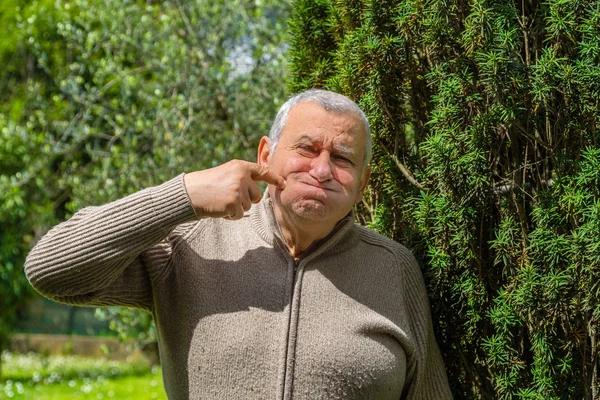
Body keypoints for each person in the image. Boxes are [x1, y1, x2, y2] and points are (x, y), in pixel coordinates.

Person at [25, 89, 452, 399]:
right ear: (265, 155)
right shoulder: (190, 244)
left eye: (342, 158)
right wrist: (184, 194)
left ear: (363, 183)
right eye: (306, 148)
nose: (322, 169)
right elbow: (50, 268)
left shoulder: (395, 268)